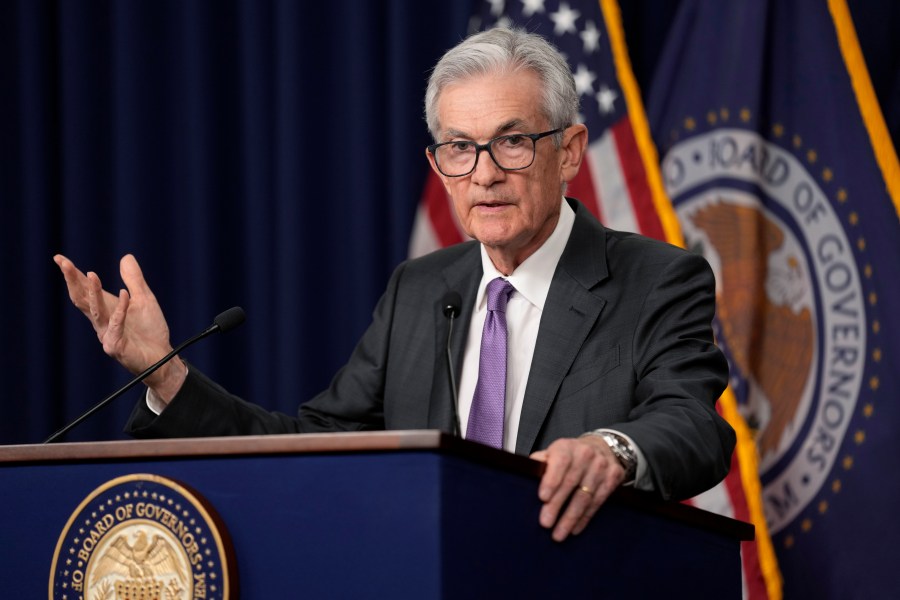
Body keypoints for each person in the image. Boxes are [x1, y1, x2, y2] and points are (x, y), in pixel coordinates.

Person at [55, 27, 735, 543]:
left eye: (513, 141)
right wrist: (166, 376)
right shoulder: (420, 288)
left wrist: (610, 449)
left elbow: (695, 426)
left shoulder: (657, 279)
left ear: (571, 151)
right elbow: (319, 449)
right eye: (459, 147)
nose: (485, 173)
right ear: (439, 163)